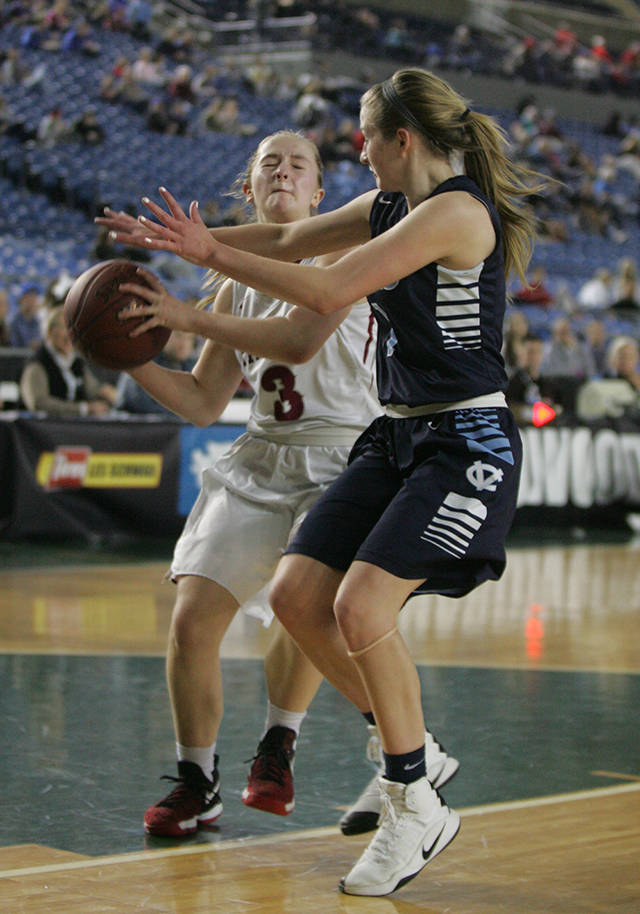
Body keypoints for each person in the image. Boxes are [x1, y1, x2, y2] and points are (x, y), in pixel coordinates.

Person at [100, 67, 543, 896]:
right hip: (397, 436)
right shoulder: (387, 207)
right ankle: (409, 755)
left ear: (401, 140)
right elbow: (291, 243)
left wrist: (198, 297)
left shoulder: (453, 211)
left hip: (465, 441)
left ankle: (414, 800)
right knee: (301, 597)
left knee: (359, 604)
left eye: (368, 138)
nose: (359, 152)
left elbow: (328, 286)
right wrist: (189, 243)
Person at [97, 130, 458, 839]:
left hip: (347, 456)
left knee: (305, 601)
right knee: (192, 619)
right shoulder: (237, 280)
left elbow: (298, 338)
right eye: (270, 164)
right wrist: (125, 353)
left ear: (320, 194)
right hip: (262, 452)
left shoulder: (355, 258)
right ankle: (197, 781)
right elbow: (204, 399)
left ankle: (279, 743)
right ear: (252, 190)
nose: (284, 171)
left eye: (300, 164)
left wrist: (182, 313)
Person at [19, 305, 116, 416]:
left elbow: (92, 388)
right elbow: (38, 403)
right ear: (49, 332)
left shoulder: (76, 363)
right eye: (64, 328)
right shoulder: (37, 365)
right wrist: (82, 409)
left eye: (73, 328)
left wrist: (107, 393)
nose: (69, 335)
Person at [115, 329, 197, 415]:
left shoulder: (192, 367)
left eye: (189, 339)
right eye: (178, 336)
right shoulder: (145, 361)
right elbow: (142, 404)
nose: (183, 344)